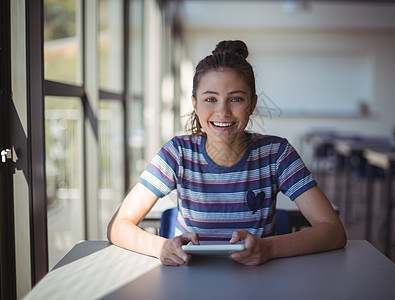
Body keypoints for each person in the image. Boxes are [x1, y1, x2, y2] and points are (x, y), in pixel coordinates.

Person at [107, 40, 346, 266]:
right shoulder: (177, 153)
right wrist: (161, 247)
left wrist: (269, 248)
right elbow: (118, 226)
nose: (223, 112)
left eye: (236, 99)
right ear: (194, 103)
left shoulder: (277, 154)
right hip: (188, 279)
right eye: (210, 98)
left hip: (259, 281)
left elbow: (333, 231)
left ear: (251, 104)